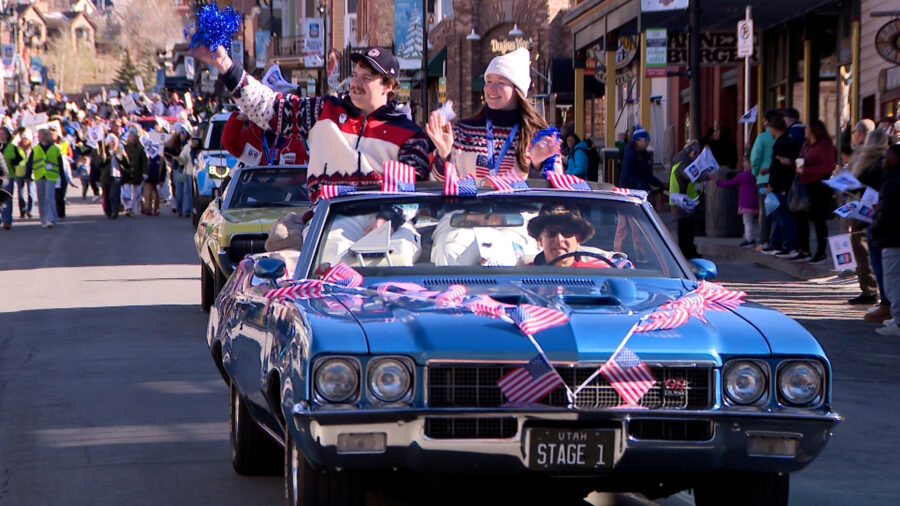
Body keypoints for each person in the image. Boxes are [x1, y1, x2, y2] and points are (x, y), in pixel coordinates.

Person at [194, 45, 430, 200]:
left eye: (366, 78)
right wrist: (226, 67)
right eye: (355, 75)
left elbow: (415, 193)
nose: (355, 83)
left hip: (386, 229)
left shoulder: (409, 135)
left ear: (388, 86)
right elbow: (270, 108)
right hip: (328, 225)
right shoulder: (323, 110)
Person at [426, 48, 559, 183]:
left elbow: (553, 195)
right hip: (469, 205)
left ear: (518, 90)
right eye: (488, 81)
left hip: (516, 205)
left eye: (501, 83)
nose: (491, 88)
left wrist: (536, 166)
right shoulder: (461, 132)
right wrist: (443, 155)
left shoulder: (540, 137)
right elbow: (437, 186)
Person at [855, 129, 893, 323]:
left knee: (881, 264)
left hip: (878, 217)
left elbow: (869, 185)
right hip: (876, 214)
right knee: (882, 264)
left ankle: (886, 304)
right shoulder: (878, 161)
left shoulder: (877, 162)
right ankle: (886, 302)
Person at [791, 119, 836, 264]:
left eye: (807, 128)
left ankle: (821, 252)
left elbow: (827, 167)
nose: (804, 131)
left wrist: (807, 170)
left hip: (819, 186)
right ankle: (804, 250)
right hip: (805, 185)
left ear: (813, 130)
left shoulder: (824, 146)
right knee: (801, 217)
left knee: (818, 220)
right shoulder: (807, 145)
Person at [763, 115, 802, 256]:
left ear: (773, 128)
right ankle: (777, 243)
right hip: (788, 184)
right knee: (779, 216)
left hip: (780, 186)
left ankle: (789, 245)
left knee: (783, 217)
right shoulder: (791, 142)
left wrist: (771, 185)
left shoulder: (781, 144)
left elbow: (779, 168)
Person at [872, 144, 900, 335]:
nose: (884, 160)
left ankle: (898, 322)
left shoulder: (892, 183)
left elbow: (888, 213)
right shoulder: (890, 181)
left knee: (893, 281)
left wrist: (875, 229)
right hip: (893, 236)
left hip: (892, 238)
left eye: (887, 157)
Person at [750, 110, 782, 248]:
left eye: (763, 121)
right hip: (780, 177)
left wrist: (755, 172)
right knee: (778, 210)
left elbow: (755, 158)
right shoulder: (784, 136)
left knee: (765, 212)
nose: (763, 123)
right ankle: (778, 241)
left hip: (764, 178)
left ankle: (764, 241)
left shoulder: (762, 138)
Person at [669, 141, 703, 258]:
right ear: (689, 152)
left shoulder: (685, 162)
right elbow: (691, 175)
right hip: (680, 200)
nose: (697, 156)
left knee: (689, 227)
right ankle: (685, 252)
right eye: (695, 153)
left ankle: (690, 250)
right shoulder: (683, 164)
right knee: (684, 229)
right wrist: (706, 176)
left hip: (685, 200)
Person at [717, 156, 760, 247]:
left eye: (745, 162)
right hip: (755, 201)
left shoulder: (744, 175)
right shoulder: (755, 174)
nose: (743, 164)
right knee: (751, 221)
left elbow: (731, 182)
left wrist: (719, 183)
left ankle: (749, 239)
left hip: (745, 202)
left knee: (747, 221)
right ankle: (751, 237)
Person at [25, 128, 63, 228]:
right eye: (40, 135)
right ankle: (43, 219)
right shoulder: (36, 148)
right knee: (41, 198)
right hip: (39, 175)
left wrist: (63, 177)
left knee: (49, 197)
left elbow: (60, 164)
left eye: (43, 135)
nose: (41, 137)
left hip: (51, 175)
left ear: (48, 136)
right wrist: (28, 174)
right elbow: (30, 162)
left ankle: (51, 219)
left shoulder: (55, 148)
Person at [618, 126, 663, 192]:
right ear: (637, 140)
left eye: (649, 140)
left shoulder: (644, 154)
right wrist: (642, 186)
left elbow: (647, 174)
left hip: (640, 192)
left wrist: (659, 184)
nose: (648, 142)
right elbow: (628, 175)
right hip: (629, 193)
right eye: (646, 140)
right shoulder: (630, 154)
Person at [98, 133, 129, 219]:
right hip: (106, 176)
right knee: (107, 194)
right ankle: (108, 211)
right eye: (112, 141)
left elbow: (126, 164)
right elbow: (99, 164)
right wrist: (103, 158)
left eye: (115, 141)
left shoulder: (119, 151)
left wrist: (122, 156)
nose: (114, 143)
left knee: (114, 194)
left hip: (116, 176)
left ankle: (115, 210)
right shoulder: (104, 152)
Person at [123, 128, 147, 217]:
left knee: (137, 193)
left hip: (138, 173)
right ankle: (128, 208)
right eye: (130, 136)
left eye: (133, 136)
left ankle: (136, 208)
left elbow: (144, 161)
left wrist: (145, 172)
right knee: (126, 192)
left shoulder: (140, 149)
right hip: (127, 173)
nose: (131, 137)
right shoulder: (125, 148)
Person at [0, 127, 20, 229]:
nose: (1, 135)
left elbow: (19, 160)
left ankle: (7, 220)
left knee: (6, 198)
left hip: (8, 176)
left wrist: (13, 162)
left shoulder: (12, 147)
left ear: (7, 135)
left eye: (3, 133)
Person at [176, 136, 200, 218]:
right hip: (189, 172)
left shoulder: (201, 147)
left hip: (199, 173)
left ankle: (195, 209)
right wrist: (179, 159)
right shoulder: (187, 147)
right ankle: (187, 210)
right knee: (187, 192)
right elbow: (183, 159)